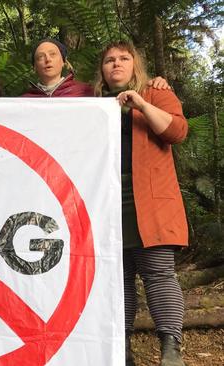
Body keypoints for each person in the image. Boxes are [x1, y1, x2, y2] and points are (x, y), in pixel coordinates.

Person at [95, 40, 188, 366]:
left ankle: (170, 348)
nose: (116, 64)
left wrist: (141, 105)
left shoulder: (155, 93)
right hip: (105, 206)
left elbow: (176, 131)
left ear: (135, 65)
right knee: (116, 280)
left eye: (123, 58)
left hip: (150, 204)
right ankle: (121, 350)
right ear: (102, 71)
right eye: (109, 60)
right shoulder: (92, 104)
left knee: (159, 274)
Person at [22, 38, 171, 97]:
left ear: (64, 61)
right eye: (40, 57)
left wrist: (152, 82)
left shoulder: (87, 91)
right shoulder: (22, 101)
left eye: (53, 54)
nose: (47, 59)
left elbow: (120, 91)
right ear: (34, 66)